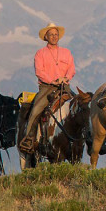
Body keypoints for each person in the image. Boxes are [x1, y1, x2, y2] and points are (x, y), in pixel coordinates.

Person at [18, 22, 76, 153]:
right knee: (36, 109)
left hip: (64, 86)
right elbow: (39, 71)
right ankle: (29, 138)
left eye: (56, 34)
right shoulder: (40, 53)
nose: (54, 37)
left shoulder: (66, 52)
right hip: (47, 88)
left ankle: (85, 137)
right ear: (46, 37)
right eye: (51, 35)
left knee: (81, 106)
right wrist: (53, 81)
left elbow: (71, 69)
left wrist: (65, 78)